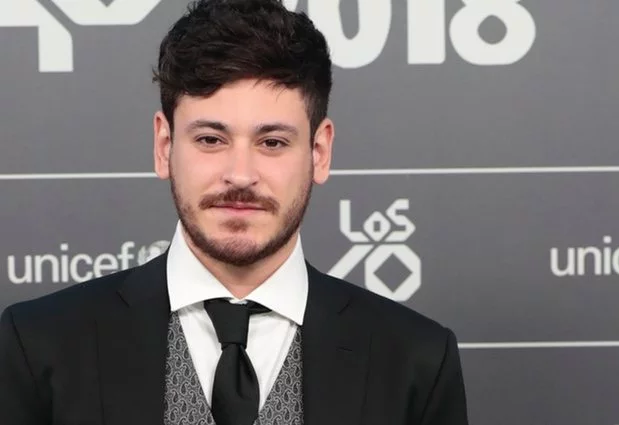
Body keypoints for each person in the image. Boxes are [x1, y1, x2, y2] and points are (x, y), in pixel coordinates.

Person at [0, 1, 469, 424]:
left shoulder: (416, 359)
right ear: (164, 146)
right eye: (210, 139)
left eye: (273, 142)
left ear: (320, 151)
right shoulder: (39, 345)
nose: (240, 175)